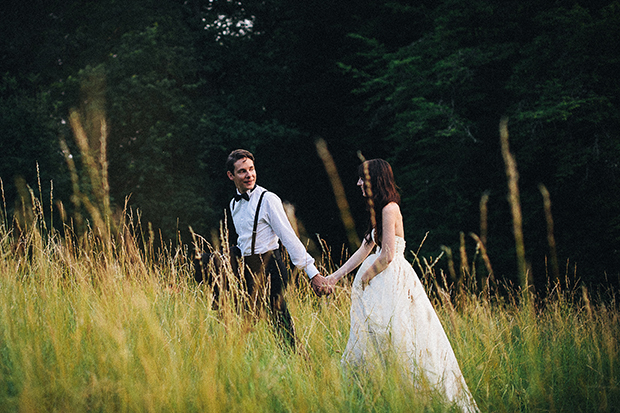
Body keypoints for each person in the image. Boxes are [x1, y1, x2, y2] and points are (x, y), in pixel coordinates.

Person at [325, 159, 479, 412]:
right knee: (378, 339)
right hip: (381, 281)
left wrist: (365, 279)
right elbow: (365, 249)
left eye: (363, 178)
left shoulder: (389, 209)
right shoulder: (379, 210)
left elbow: (387, 255)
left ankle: (416, 398)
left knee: (399, 339)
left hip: (390, 281)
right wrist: (335, 277)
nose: (358, 183)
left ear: (376, 179)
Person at [224, 149, 331, 349]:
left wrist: (313, 274)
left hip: (271, 266)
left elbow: (289, 237)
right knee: (244, 325)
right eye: (242, 171)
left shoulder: (268, 199)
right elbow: (245, 239)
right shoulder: (233, 204)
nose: (249, 175)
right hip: (248, 269)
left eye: (251, 169)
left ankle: (300, 364)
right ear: (231, 175)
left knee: (280, 323)